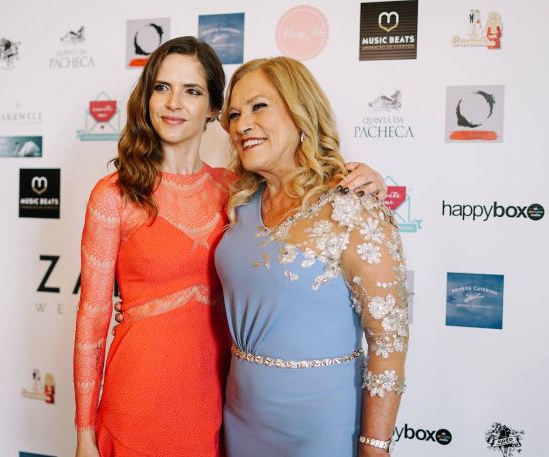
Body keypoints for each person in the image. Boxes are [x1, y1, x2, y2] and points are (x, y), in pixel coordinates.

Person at [74, 37, 387, 457]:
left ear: (214, 110)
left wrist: (361, 177)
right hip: (139, 394)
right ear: (146, 97)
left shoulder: (237, 190)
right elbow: (91, 322)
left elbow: (301, 189)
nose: (173, 103)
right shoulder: (114, 194)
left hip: (222, 399)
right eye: (162, 87)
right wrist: (84, 433)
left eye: (192, 91)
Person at [215, 57, 408, 456]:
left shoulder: (355, 207)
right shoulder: (237, 201)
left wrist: (375, 447)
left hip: (321, 425)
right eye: (233, 114)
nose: (242, 124)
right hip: (240, 415)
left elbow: (388, 343)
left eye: (258, 106)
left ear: (300, 111)